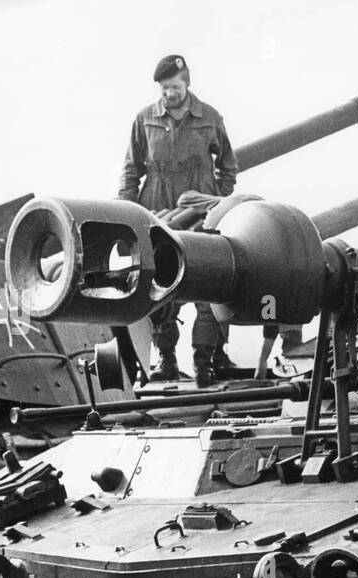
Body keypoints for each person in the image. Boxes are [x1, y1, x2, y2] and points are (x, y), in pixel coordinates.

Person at [119, 54, 238, 384]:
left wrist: (216, 200)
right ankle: (166, 357)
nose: (170, 93)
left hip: (200, 216)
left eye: (175, 86)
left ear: (187, 83)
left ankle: (206, 359)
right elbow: (131, 170)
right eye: (165, 88)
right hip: (158, 214)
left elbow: (228, 166)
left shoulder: (210, 117)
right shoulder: (145, 119)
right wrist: (125, 215)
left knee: (208, 284)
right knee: (159, 286)